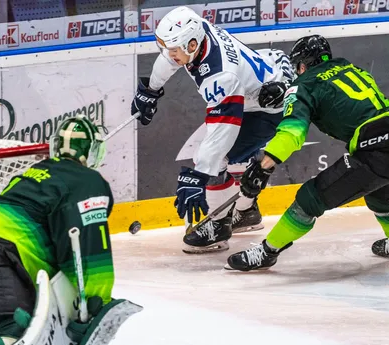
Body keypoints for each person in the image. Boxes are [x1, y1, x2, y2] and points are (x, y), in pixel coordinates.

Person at [0, 116, 140, 344]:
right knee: (17, 334)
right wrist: (95, 301)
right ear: (94, 151)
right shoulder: (88, 180)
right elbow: (89, 246)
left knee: (14, 328)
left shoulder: (36, 171)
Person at [131, 6, 294, 253]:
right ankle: (247, 212)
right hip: (259, 87)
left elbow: (222, 130)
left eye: (174, 50)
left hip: (268, 110)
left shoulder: (221, 75)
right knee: (230, 158)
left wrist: (201, 174)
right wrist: (151, 89)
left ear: (192, 45)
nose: (169, 54)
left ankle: (218, 227)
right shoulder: (198, 31)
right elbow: (169, 59)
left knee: (214, 159)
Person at [225, 35, 389, 271]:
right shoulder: (351, 68)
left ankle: (267, 251)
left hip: (376, 150)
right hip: (382, 142)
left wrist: (264, 164)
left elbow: (293, 132)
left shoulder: (303, 85)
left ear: (302, 65)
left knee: (309, 198)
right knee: (379, 194)